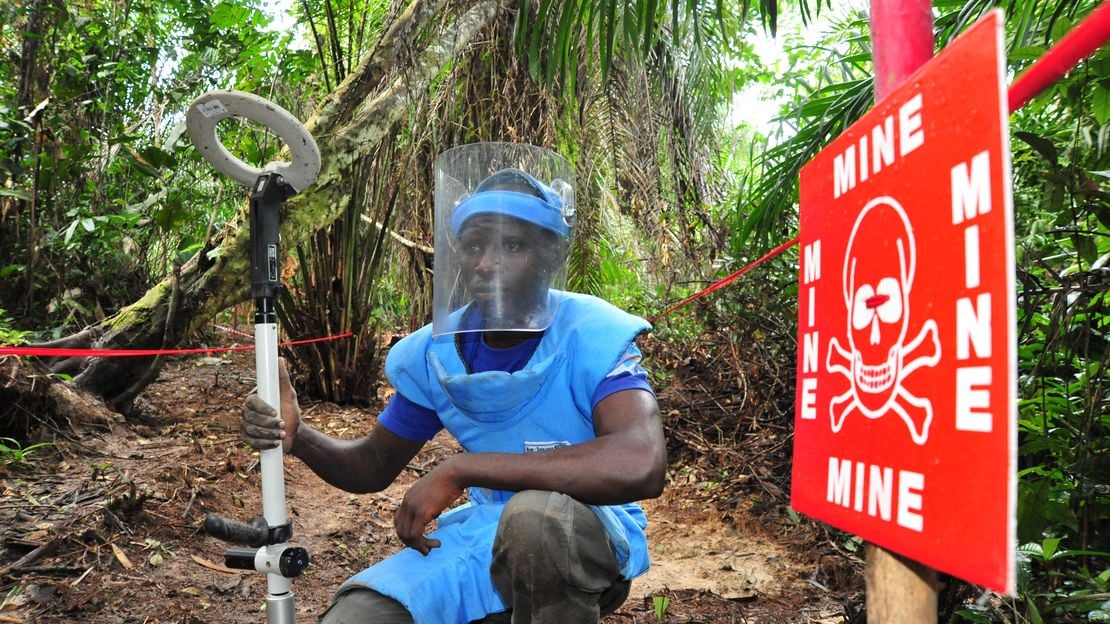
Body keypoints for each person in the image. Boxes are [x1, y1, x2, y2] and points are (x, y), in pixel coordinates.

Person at [240, 143, 667, 624]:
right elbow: (373, 465)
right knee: (357, 617)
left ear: (550, 255)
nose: (486, 263)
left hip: (587, 534)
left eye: (512, 245)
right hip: (486, 533)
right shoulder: (439, 352)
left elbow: (641, 461)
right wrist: (298, 439)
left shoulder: (592, 332)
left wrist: (461, 469)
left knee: (533, 524)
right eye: (475, 244)